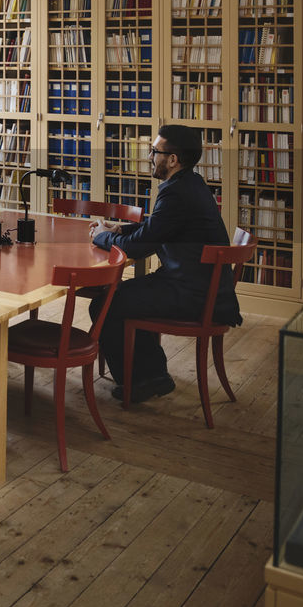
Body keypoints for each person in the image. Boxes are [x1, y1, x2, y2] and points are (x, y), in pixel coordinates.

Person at [89, 124, 240, 403]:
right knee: (124, 294)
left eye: (154, 151)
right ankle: (151, 375)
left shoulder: (175, 193)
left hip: (195, 296)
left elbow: (139, 247)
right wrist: (120, 229)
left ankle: (140, 381)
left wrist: (102, 237)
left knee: (105, 302)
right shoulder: (191, 184)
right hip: (205, 290)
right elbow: (157, 228)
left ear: (172, 160)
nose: (149, 156)